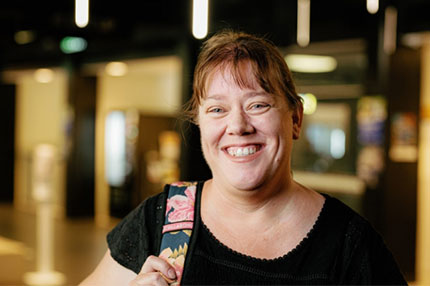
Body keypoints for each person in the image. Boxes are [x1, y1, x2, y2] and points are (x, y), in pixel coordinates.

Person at [80, 30, 407, 285]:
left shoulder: (348, 244)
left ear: (295, 118)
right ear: (201, 124)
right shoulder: (163, 220)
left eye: (257, 105)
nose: (237, 126)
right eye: (217, 109)